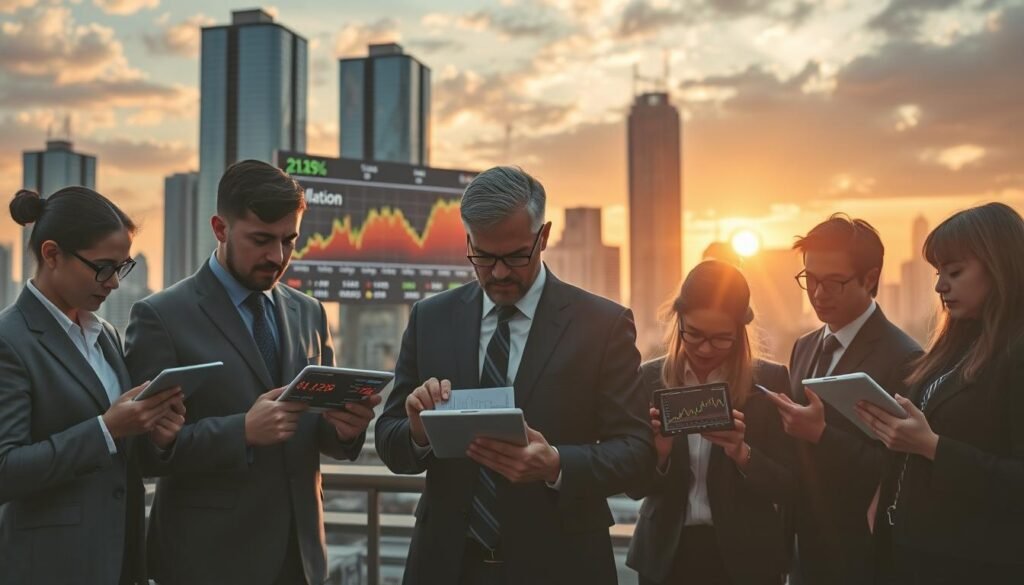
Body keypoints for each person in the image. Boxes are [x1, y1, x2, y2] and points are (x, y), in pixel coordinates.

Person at [375, 166, 654, 585]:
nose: (500, 272)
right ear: (468, 241)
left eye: (516, 256)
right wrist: (417, 432)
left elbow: (636, 451)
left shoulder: (603, 325)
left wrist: (557, 464)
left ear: (544, 237)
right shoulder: (430, 318)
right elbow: (388, 439)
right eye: (484, 257)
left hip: (561, 565)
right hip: (446, 563)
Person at [124, 160, 380, 585]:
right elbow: (144, 453)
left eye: (288, 240)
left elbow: (319, 431)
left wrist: (346, 430)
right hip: (208, 562)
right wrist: (240, 430)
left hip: (301, 559)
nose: (277, 256)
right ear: (220, 229)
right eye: (261, 240)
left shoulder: (310, 312)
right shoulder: (161, 317)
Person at [0, 187, 184, 585]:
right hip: (50, 567)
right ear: (52, 255)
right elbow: (6, 470)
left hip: (120, 562)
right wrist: (107, 429)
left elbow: (121, 460)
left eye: (122, 267)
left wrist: (156, 435)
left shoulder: (106, 335)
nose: (114, 282)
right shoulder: (9, 340)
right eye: (103, 268)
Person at [857, 202, 1024, 583]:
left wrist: (932, 446)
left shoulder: (1016, 354)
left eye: (955, 271)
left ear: (1000, 266)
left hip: (978, 564)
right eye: (938, 272)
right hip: (912, 552)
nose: (940, 286)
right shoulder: (954, 347)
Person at [762, 214, 922, 585]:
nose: (818, 294)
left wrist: (821, 434)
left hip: (862, 556)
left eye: (834, 283)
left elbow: (899, 470)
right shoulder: (804, 346)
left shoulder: (904, 358)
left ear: (870, 278)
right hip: (804, 553)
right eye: (810, 279)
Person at [626, 260, 794, 585]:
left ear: (740, 333)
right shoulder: (648, 379)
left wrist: (742, 453)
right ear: (678, 321)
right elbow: (633, 487)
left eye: (720, 338)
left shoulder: (769, 382)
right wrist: (658, 456)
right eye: (694, 334)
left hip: (748, 558)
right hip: (665, 557)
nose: (705, 348)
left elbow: (788, 486)